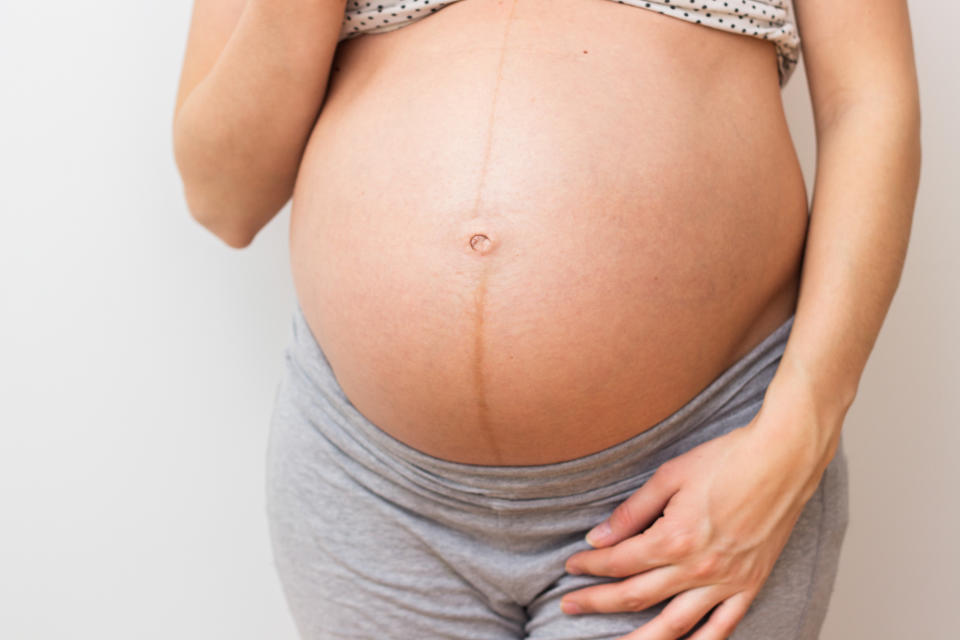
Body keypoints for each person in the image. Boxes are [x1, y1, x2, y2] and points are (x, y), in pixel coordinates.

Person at [172, 0, 921, 638]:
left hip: (688, 469)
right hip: (370, 485)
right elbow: (225, 199)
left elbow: (869, 102)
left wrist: (795, 440)